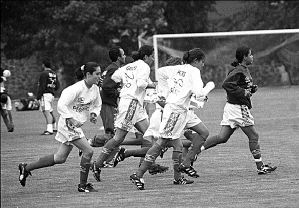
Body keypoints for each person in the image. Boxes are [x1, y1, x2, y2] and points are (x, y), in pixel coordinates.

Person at [130, 48, 209, 190]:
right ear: (196, 61)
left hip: (177, 110)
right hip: (175, 112)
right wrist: (203, 93)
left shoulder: (178, 68)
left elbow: (160, 72)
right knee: (160, 143)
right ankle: (138, 174)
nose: (203, 65)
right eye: (202, 62)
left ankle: (179, 176)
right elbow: (198, 93)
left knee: (181, 144)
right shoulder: (194, 71)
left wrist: (168, 90)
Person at [18, 62, 102, 192]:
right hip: (68, 125)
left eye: (100, 73)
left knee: (60, 158)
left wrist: (94, 114)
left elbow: (97, 105)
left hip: (76, 126)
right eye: (97, 74)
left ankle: (26, 167)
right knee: (88, 151)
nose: (99, 76)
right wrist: (70, 118)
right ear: (88, 74)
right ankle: (83, 185)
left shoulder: (95, 89)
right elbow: (61, 104)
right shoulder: (76, 88)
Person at [196, 46, 277, 175]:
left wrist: (251, 90)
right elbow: (226, 84)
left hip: (232, 107)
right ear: (244, 57)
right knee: (254, 136)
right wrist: (243, 91)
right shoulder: (238, 70)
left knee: (222, 137)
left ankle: (195, 151)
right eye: (250, 55)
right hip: (238, 108)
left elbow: (241, 87)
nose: (252, 57)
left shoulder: (244, 70)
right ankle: (260, 167)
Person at [91, 45, 157, 182]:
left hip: (134, 104)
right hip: (131, 104)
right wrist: (153, 85)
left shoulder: (128, 66)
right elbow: (140, 84)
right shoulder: (144, 66)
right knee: (118, 138)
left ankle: (144, 167)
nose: (153, 59)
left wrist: (126, 85)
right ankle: (97, 165)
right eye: (152, 56)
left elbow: (115, 77)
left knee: (149, 135)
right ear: (145, 57)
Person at [37, 60, 60, 135]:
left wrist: (38, 96)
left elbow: (42, 86)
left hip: (45, 94)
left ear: (43, 65)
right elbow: (57, 86)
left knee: (46, 111)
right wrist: (52, 89)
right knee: (50, 111)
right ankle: (54, 127)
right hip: (51, 94)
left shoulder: (44, 73)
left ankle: (49, 130)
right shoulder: (53, 73)